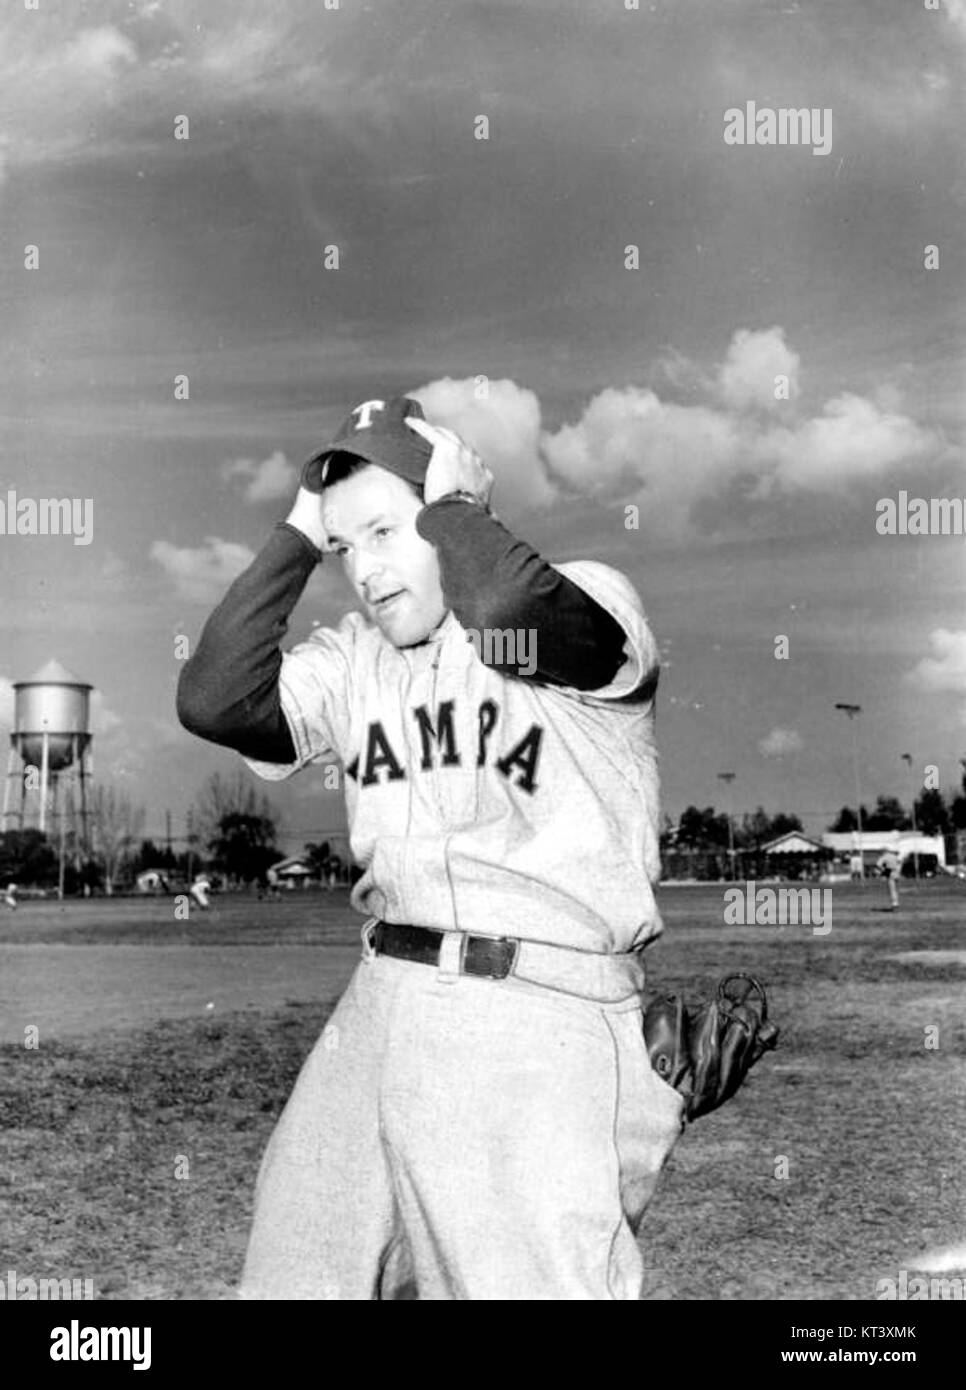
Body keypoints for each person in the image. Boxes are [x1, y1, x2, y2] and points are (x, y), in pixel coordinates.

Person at [177, 394, 684, 1301]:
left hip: (536, 1005)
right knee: (292, 1276)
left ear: (449, 499)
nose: (364, 574)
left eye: (384, 530)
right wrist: (303, 530)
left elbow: (503, 599)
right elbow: (214, 696)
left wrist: (460, 514)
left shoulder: (587, 597)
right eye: (345, 551)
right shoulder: (355, 660)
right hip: (379, 1002)